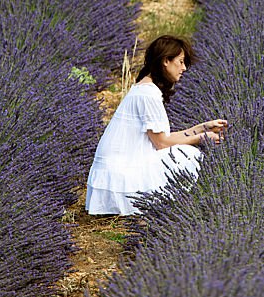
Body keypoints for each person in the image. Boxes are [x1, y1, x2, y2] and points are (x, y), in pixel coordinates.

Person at [85, 35, 227, 216]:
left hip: (115, 169)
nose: (184, 68)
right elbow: (161, 144)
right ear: (166, 61)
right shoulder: (148, 94)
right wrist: (201, 138)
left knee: (183, 151)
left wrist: (203, 127)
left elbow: (163, 139)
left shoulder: (145, 88)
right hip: (120, 173)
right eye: (181, 62)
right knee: (188, 154)